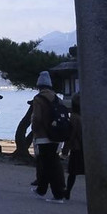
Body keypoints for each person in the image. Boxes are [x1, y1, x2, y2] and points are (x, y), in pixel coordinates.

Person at [30, 70, 67, 202]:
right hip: (57, 135)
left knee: (47, 164)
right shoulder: (58, 98)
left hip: (43, 136)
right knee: (52, 163)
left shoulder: (38, 99)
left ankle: (57, 194)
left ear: (39, 86)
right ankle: (43, 189)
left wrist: (34, 129)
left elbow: (37, 118)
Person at [63, 92, 85, 200]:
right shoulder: (83, 117)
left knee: (72, 172)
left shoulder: (74, 117)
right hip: (84, 147)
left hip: (77, 147)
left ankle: (67, 191)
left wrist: (65, 149)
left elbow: (71, 134)